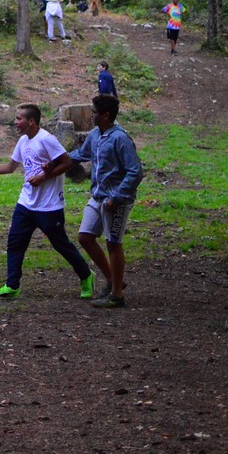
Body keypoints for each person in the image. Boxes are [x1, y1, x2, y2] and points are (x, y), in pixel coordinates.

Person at [0, 104, 95, 299]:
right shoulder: (23, 140)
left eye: (19, 119)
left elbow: (67, 162)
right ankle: (12, 285)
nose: (15, 122)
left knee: (60, 244)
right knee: (15, 242)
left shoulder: (46, 139)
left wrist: (43, 177)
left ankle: (86, 275)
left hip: (49, 205)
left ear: (31, 121)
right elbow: (10, 167)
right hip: (26, 203)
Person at [67, 95, 143, 308]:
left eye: (94, 112)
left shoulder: (120, 138)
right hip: (98, 196)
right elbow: (81, 154)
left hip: (116, 200)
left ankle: (117, 295)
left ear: (106, 115)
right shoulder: (95, 135)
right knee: (85, 237)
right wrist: (57, 159)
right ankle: (113, 279)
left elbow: (135, 171)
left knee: (113, 243)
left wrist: (117, 197)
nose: (91, 115)